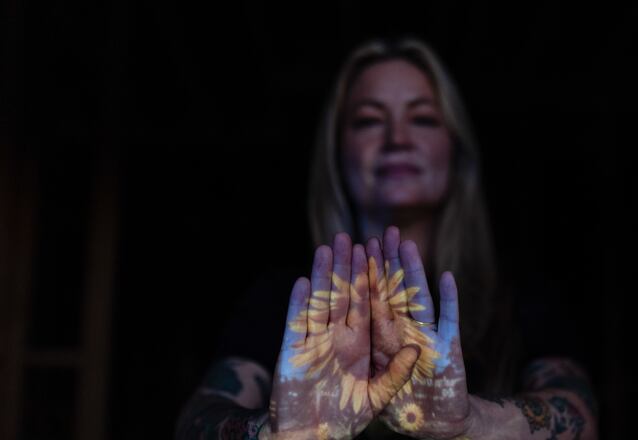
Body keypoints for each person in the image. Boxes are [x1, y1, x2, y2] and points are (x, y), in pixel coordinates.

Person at [176, 36, 598, 439]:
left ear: (455, 149)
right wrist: (271, 434)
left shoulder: (518, 295)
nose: (397, 139)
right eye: (369, 121)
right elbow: (196, 419)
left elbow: (582, 416)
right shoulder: (284, 298)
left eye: (423, 118)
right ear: (337, 153)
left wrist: (472, 422)